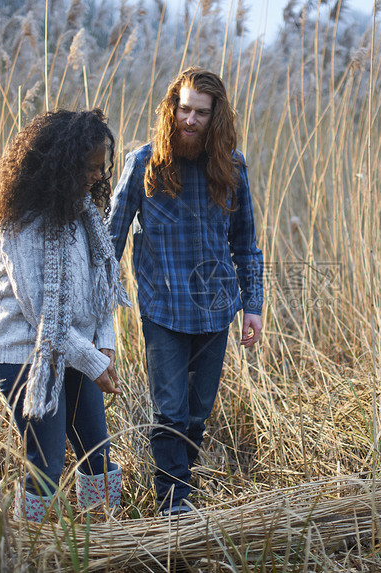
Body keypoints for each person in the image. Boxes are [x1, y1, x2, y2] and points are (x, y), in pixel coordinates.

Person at [108, 67, 264, 516]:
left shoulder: (232, 168)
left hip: (216, 312)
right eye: (183, 109)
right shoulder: (143, 164)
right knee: (170, 412)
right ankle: (174, 502)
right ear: (171, 110)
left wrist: (252, 306)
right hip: (163, 311)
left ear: (216, 117)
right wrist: (101, 310)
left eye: (200, 112)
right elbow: (110, 243)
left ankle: (180, 485)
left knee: (197, 415)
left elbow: (245, 245)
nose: (189, 120)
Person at [0, 109, 131, 523]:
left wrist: (105, 343)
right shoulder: (20, 222)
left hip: (74, 347)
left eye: (102, 167)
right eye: (91, 167)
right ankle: (33, 544)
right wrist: (94, 362)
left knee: (97, 450)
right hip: (24, 352)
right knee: (45, 461)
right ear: (62, 164)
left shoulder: (83, 214)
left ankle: (101, 538)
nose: (99, 176)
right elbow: (43, 313)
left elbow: (102, 288)